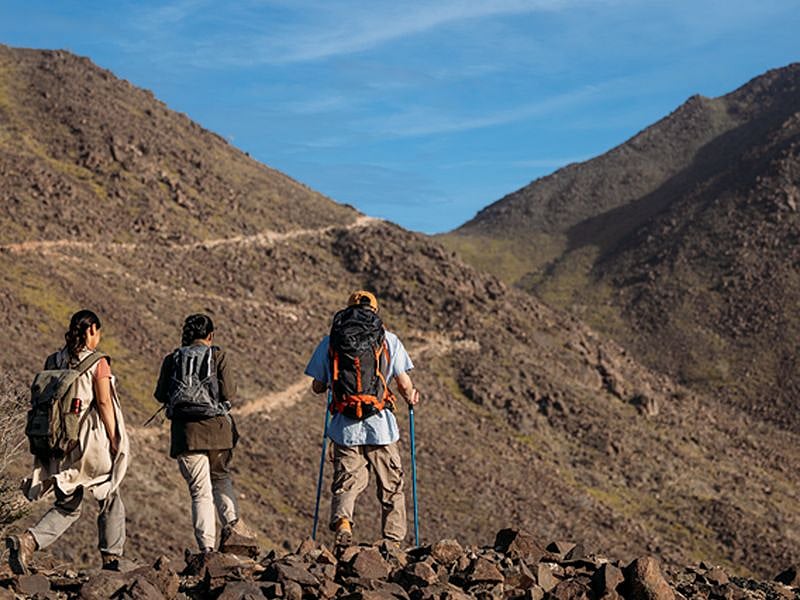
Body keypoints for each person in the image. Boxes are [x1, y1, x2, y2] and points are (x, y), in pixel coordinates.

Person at [6, 310, 129, 574]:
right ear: (91, 331)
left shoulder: (54, 359)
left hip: (58, 445)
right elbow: (104, 402)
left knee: (68, 505)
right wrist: (114, 437)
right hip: (87, 444)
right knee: (110, 491)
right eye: (99, 331)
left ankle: (29, 541)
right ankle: (112, 559)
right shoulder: (98, 362)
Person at [305, 290, 420, 546]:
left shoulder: (332, 340)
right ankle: (392, 540)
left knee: (347, 480)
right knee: (391, 484)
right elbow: (403, 383)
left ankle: (344, 524)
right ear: (375, 311)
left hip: (345, 426)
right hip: (381, 426)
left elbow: (317, 386)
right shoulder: (389, 339)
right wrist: (411, 396)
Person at [154, 314, 253, 554]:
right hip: (217, 431)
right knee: (220, 478)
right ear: (210, 336)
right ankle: (234, 530)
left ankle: (206, 547)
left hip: (186, 435)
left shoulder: (173, 359)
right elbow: (229, 392)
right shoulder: (218, 355)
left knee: (200, 491)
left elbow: (159, 394)